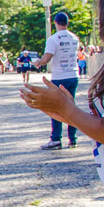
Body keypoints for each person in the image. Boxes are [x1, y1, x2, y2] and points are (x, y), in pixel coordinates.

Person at [31, 12, 81, 149]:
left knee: (56, 107)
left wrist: (38, 63)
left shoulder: (53, 39)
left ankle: (56, 139)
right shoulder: (75, 38)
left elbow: (46, 58)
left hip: (59, 77)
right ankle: (73, 138)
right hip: (73, 75)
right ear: (67, 22)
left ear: (55, 22)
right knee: (72, 106)